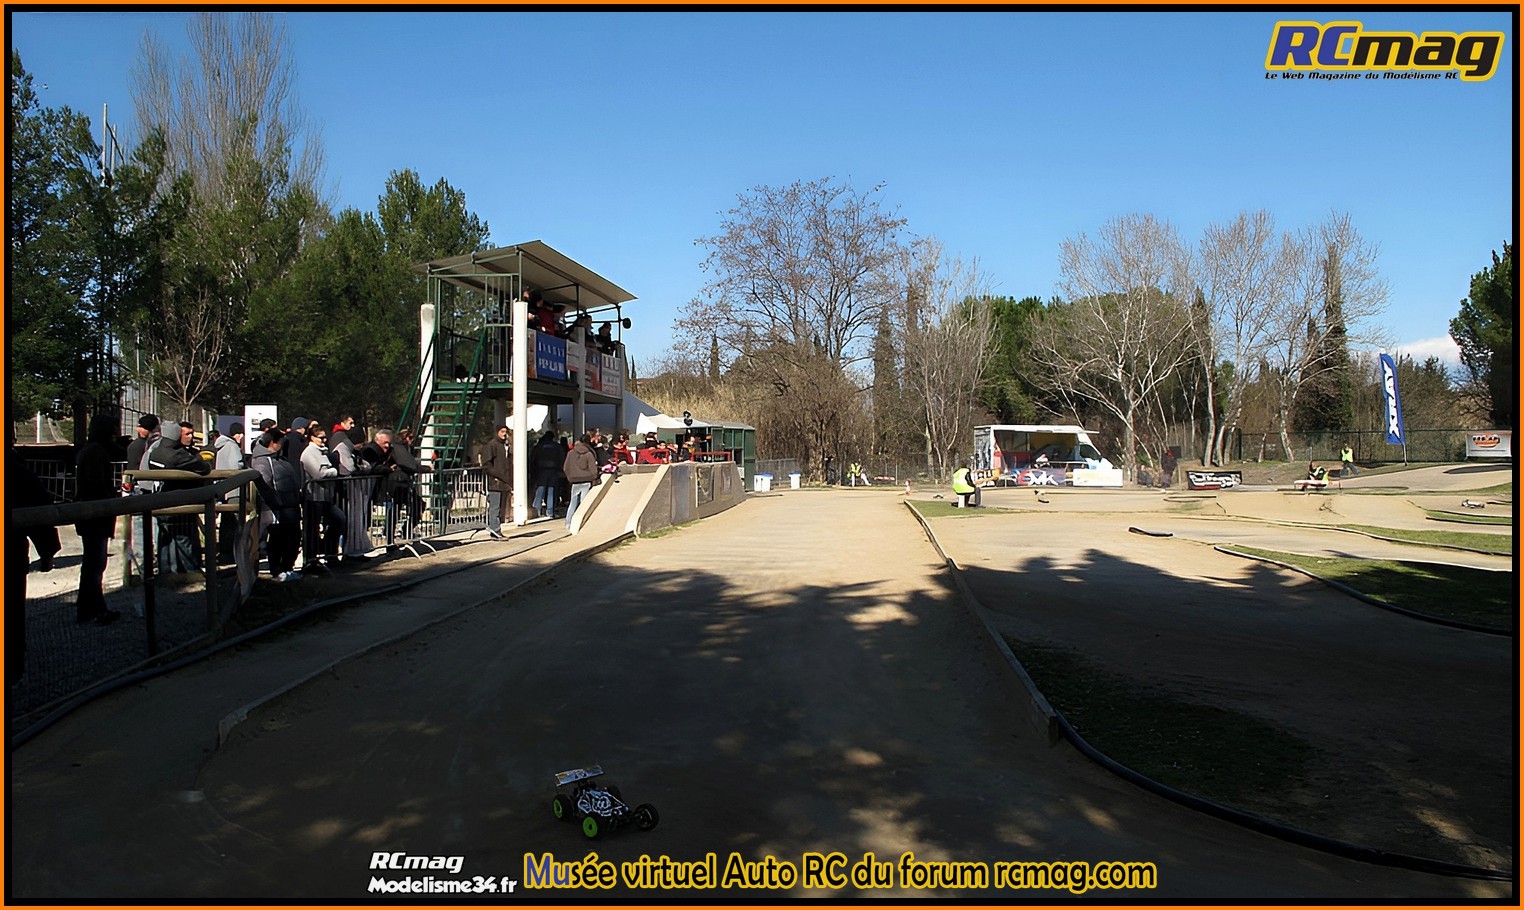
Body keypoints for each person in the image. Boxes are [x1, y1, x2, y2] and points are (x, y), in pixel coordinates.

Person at [72, 414, 123, 625]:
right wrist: (111, 500)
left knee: (93, 564)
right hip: (96, 516)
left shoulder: (90, 450)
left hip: (93, 515)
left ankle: (91, 607)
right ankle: (92, 610)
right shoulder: (95, 452)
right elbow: (97, 485)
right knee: (94, 565)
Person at [147, 421, 212, 573]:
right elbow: (203, 467)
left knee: (165, 539)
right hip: (180, 501)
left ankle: (165, 573)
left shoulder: (155, 452)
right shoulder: (178, 455)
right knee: (184, 539)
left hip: (162, 500)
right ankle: (191, 572)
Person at [251, 431, 304, 581]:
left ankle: (288, 568)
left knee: (293, 538)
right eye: (281, 442)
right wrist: (277, 502)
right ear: (273, 443)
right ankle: (277, 570)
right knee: (278, 540)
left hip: (291, 506)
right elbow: (264, 485)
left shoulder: (281, 459)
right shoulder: (262, 461)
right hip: (277, 509)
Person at [300, 426, 345, 566]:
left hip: (326, 497)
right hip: (314, 498)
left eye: (325, 437)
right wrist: (333, 471)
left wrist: (329, 471)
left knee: (339, 520)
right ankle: (311, 560)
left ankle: (330, 553)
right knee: (312, 529)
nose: (324, 440)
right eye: (321, 438)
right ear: (312, 438)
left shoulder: (323, 452)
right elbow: (319, 474)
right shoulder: (308, 453)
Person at [213, 423, 245, 564]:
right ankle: (233, 553)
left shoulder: (221, 447)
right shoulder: (232, 447)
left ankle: (225, 553)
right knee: (234, 523)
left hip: (224, 489)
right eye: (240, 433)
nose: (242, 436)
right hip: (234, 490)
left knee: (226, 523)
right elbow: (236, 466)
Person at [562, 431, 601, 531]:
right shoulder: (589, 454)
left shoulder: (571, 453)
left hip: (574, 481)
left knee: (573, 503)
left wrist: (570, 477)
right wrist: (593, 477)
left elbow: (565, 467)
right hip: (587, 480)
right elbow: (593, 469)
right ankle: (582, 522)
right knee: (584, 503)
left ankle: (568, 522)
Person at [480, 424, 513, 537]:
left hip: (503, 482)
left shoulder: (505, 446)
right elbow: (487, 465)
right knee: (495, 508)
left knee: (501, 509)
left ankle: (497, 529)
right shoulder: (492, 445)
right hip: (495, 482)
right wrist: (497, 475)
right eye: (502, 432)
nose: (504, 434)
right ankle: (495, 530)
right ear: (497, 432)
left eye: (505, 432)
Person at [530, 430, 565, 519]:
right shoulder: (557, 446)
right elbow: (562, 458)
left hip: (541, 470)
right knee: (551, 491)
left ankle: (536, 510)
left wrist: (532, 471)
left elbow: (533, 458)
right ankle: (550, 512)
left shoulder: (539, 446)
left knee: (540, 490)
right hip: (554, 470)